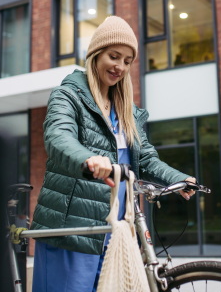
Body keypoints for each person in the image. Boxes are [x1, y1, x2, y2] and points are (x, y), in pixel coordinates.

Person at [31, 15, 196, 292]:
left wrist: (179, 179)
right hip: (74, 230)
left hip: (116, 230)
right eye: (114, 56)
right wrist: (89, 159)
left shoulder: (126, 111)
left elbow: (146, 159)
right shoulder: (68, 96)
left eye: (127, 61)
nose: (120, 66)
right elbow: (58, 137)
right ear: (96, 54)